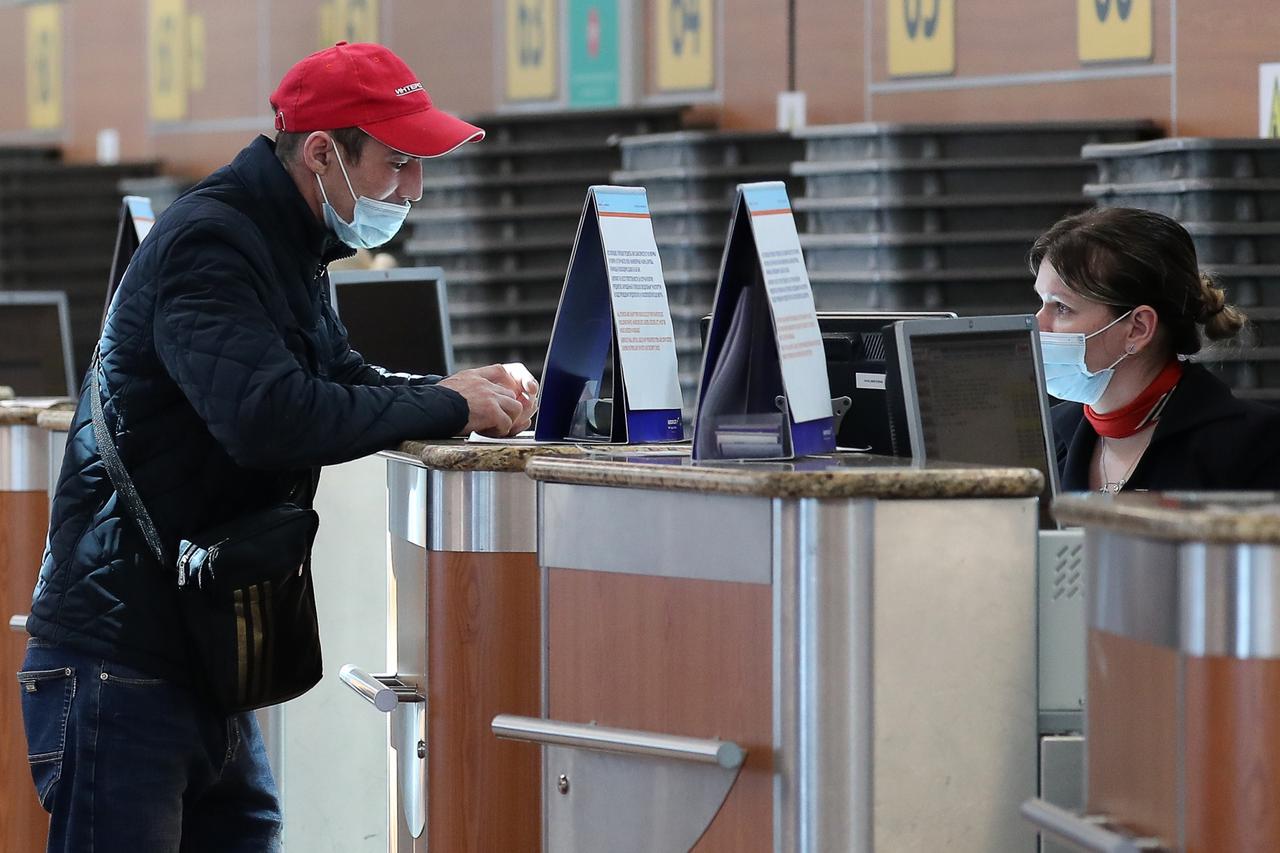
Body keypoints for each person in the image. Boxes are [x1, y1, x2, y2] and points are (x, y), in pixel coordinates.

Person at [17, 42, 536, 852]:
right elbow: (268, 416)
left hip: (201, 653)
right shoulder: (212, 245)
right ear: (325, 151)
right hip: (121, 661)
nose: (413, 189)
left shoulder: (288, 244)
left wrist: (462, 393)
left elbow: (340, 375)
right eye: (398, 163)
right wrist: (443, 404)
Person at [1031, 206, 1280, 492]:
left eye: (1061, 308)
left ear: (1138, 328)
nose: (1038, 325)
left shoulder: (1252, 446)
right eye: (1041, 303)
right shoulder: (1045, 437)